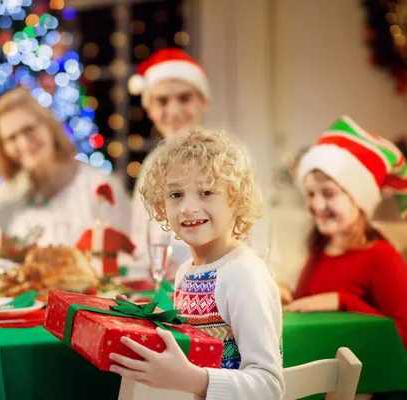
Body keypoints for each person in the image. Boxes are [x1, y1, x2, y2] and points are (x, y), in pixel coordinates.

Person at [109, 129, 284, 399]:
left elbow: (269, 386)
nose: (188, 207)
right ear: (161, 206)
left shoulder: (244, 275)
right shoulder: (186, 273)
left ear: (235, 199)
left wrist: (193, 379)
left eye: (206, 192)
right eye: (176, 195)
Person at [0, 87, 131, 249]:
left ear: (48, 126)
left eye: (29, 129)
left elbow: (129, 258)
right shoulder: (9, 192)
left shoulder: (100, 187)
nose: (23, 143)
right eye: (11, 137)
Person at [281, 116, 407, 349]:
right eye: (311, 194)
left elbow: (403, 336)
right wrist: (287, 294)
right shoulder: (321, 247)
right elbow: (314, 308)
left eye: (328, 194)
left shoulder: (381, 256)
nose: (317, 206)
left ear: (359, 200)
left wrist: (344, 301)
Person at [127, 48, 210, 277]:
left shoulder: (225, 162)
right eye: (162, 101)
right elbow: (141, 242)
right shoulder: (150, 167)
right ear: (149, 110)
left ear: (203, 101)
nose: (173, 111)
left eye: (184, 98)